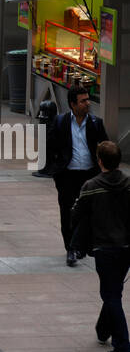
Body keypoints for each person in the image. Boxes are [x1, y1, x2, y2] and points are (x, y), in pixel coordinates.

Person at [70, 140, 130, 352]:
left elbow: (75, 215)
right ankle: (103, 330)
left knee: (111, 294)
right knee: (114, 290)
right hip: (126, 247)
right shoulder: (128, 183)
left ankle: (123, 346)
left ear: (100, 160)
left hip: (104, 248)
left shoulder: (91, 186)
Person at [46, 85, 109, 265]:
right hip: (67, 175)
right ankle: (71, 249)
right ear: (73, 104)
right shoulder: (60, 122)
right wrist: (56, 170)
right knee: (67, 212)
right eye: (83, 101)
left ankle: (87, 245)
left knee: (90, 211)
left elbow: (106, 146)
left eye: (88, 99)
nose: (87, 103)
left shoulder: (96, 123)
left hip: (90, 176)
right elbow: (50, 147)